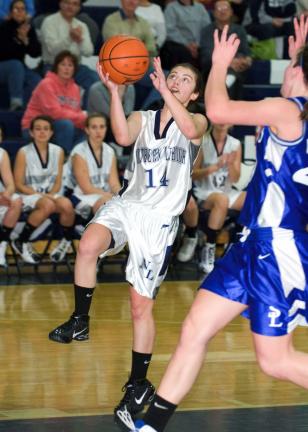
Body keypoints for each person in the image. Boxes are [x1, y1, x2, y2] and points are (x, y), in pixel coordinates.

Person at [125, 14, 308, 432]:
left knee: (275, 361)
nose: (290, 66)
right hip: (250, 245)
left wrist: (220, 63)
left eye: (294, 62)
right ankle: (150, 426)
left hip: (273, 248)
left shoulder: (286, 110)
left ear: (298, 73)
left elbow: (220, 108)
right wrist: (299, 50)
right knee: (194, 329)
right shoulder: (292, 112)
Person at [48, 57, 208, 430]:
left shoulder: (197, 123)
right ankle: (79, 320)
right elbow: (121, 136)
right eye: (173, 76)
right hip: (128, 205)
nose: (177, 81)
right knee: (88, 245)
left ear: (195, 93)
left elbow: (185, 123)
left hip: (159, 222)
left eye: (185, 80)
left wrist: (168, 96)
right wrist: (115, 93)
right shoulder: (145, 118)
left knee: (140, 307)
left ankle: (139, 382)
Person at [12, 115, 76, 264]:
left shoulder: (59, 151)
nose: (42, 132)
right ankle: (21, 241)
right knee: (48, 205)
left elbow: (58, 182)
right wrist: (41, 196)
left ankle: (65, 242)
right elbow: (18, 184)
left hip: (51, 193)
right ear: (31, 133)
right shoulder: (23, 152)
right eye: (38, 129)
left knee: (67, 205)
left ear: (51, 132)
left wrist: (50, 194)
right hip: (28, 194)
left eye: (46, 129)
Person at [192, 123, 246, 273]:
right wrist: (214, 167)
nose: (222, 122)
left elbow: (235, 179)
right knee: (222, 200)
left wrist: (230, 165)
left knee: (251, 199)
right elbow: (193, 174)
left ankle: (235, 246)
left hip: (226, 190)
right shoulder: (202, 141)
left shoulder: (235, 144)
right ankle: (209, 247)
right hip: (205, 191)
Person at [21, 50, 86, 154]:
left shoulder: (75, 88)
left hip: (59, 128)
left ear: (74, 69)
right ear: (56, 67)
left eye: (70, 65)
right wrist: (81, 116)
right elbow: (55, 113)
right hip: (35, 128)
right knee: (66, 125)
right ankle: (62, 158)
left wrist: (86, 122)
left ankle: (73, 157)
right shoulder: (46, 84)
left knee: (89, 130)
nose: (67, 68)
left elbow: (76, 115)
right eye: (63, 64)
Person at [40, 0, 98, 106]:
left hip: (76, 67)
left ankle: (86, 115)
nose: (71, 7)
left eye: (75, 4)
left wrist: (80, 40)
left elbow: (88, 52)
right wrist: (70, 38)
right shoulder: (49, 22)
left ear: (79, 8)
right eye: (67, 3)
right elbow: (52, 50)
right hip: (54, 66)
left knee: (95, 80)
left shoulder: (82, 25)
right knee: (53, 86)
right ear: (60, 3)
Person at [68, 113, 121, 219]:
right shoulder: (79, 152)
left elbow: (114, 183)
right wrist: (110, 197)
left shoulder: (110, 151)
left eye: (102, 127)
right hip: (83, 196)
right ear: (87, 130)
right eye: (94, 127)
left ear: (106, 129)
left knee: (126, 202)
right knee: (108, 203)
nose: (98, 131)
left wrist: (121, 195)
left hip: (104, 195)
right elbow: (86, 188)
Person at [200, 0, 252, 100]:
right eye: (219, 8)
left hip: (237, 67)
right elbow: (207, 55)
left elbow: (246, 52)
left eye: (225, 8)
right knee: (229, 71)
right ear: (214, 12)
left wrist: (246, 60)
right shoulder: (207, 30)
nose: (222, 11)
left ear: (231, 12)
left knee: (236, 72)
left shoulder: (239, 30)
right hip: (211, 68)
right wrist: (228, 62)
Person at [0, 0, 41, 110]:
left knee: (37, 80)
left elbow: (36, 53)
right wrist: (18, 40)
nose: (19, 12)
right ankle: (16, 103)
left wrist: (25, 40)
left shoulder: (28, 28)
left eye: (23, 9)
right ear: (10, 12)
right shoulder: (3, 27)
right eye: (16, 9)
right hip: (3, 66)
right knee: (15, 65)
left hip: (20, 67)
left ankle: (31, 109)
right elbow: (3, 52)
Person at [161, 0, 211, 70]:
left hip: (199, 43)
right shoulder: (171, 8)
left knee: (209, 51)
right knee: (181, 52)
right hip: (179, 44)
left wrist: (197, 44)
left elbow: (206, 27)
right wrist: (187, 44)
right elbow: (170, 30)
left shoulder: (200, 7)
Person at [0, 142, 22, 267]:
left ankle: (2, 242)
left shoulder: (2, 153)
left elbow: (10, 184)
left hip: (2, 198)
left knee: (16, 200)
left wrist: (6, 194)